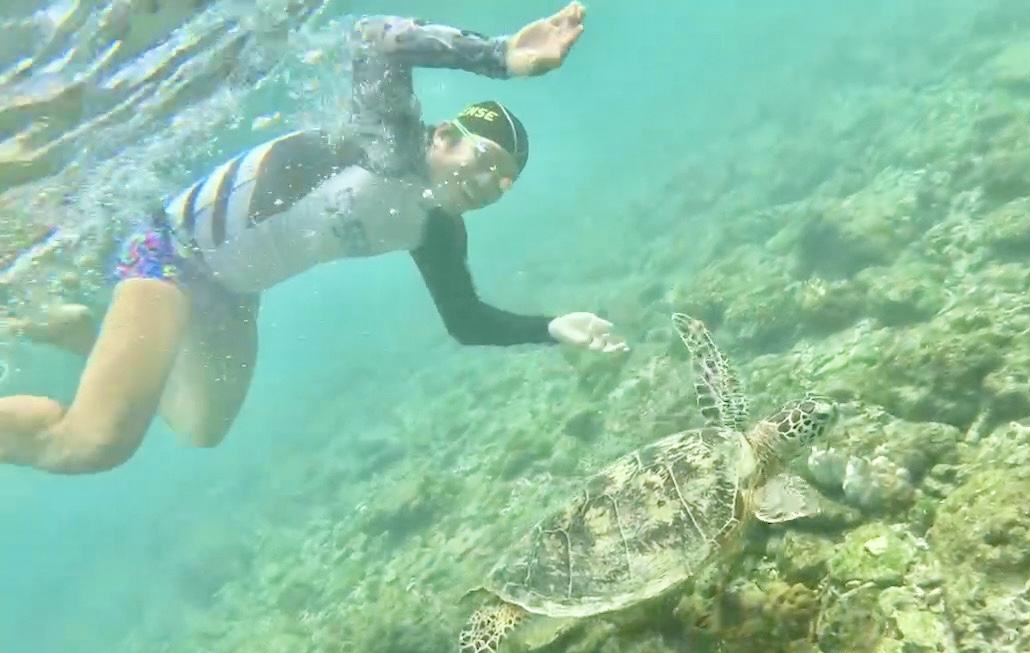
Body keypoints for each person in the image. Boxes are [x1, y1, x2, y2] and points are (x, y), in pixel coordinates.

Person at [0, 2, 628, 476]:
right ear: (442, 137)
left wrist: (551, 328)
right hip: (172, 253)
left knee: (199, 427)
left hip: (233, 293)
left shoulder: (438, 228)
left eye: (505, 181)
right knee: (94, 443)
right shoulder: (389, 143)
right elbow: (375, 38)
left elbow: (464, 319)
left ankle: (83, 335)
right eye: (486, 161)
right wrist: (499, 56)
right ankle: (97, 353)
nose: (491, 184)